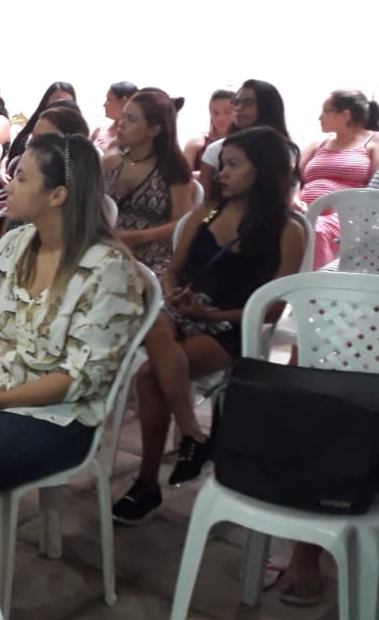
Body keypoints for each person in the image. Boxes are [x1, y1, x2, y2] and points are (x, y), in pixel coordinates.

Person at [0, 133, 147, 526]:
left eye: (22, 179)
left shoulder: (108, 270)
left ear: (58, 195)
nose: (9, 186)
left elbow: (79, 377)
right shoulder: (16, 244)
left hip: (61, 416)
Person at [115, 126, 306, 525]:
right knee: (154, 319)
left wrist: (213, 317)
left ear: (263, 171)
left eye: (234, 165)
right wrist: (171, 292)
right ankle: (193, 434)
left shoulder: (287, 230)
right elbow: (173, 270)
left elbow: (271, 310)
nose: (222, 173)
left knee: (151, 375)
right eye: (223, 165)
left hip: (232, 324)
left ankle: (148, 481)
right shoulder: (207, 212)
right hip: (184, 312)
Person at [102, 90, 196, 276]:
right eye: (123, 116)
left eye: (132, 120)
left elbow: (182, 223)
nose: (122, 124)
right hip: (108, 249)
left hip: (150, 257)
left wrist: (138, 237)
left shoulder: (172, 168)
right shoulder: (114, 160)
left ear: (154, 129)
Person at [297, 90, 379, 268]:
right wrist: (295, 201)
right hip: (304, 211)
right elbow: (292, 179)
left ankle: (315, 289)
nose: (320, 117)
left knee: (316, 230)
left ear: (345, 115)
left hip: (347, 216)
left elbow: (375, 189)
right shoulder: (316, 144)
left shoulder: (374, 142)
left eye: (326, 111)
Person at [197, 79, 297, 186]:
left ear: (267, 107)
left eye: (248, 102)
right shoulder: (216, 149)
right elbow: (204, 196)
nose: (239, 108)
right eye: (236, 102)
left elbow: (287, 188)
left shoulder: (285, 150)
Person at [6, 82, 79, 167]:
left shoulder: (73, 142)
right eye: (57, 99)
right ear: (47, 100)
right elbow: (11, 157)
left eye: (67, 102)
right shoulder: (28, 133)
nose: (61, 105)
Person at [184, 90, 237, 175]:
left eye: (227, 112)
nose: (221, 118)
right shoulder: (196, 143)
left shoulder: (245, 142)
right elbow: (182, 178)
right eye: (215, 112)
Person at [92, 82, 138, 153]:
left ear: (124, 102)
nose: (104, 105)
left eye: (109, 100)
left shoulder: (134, 137)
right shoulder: (100, 130)